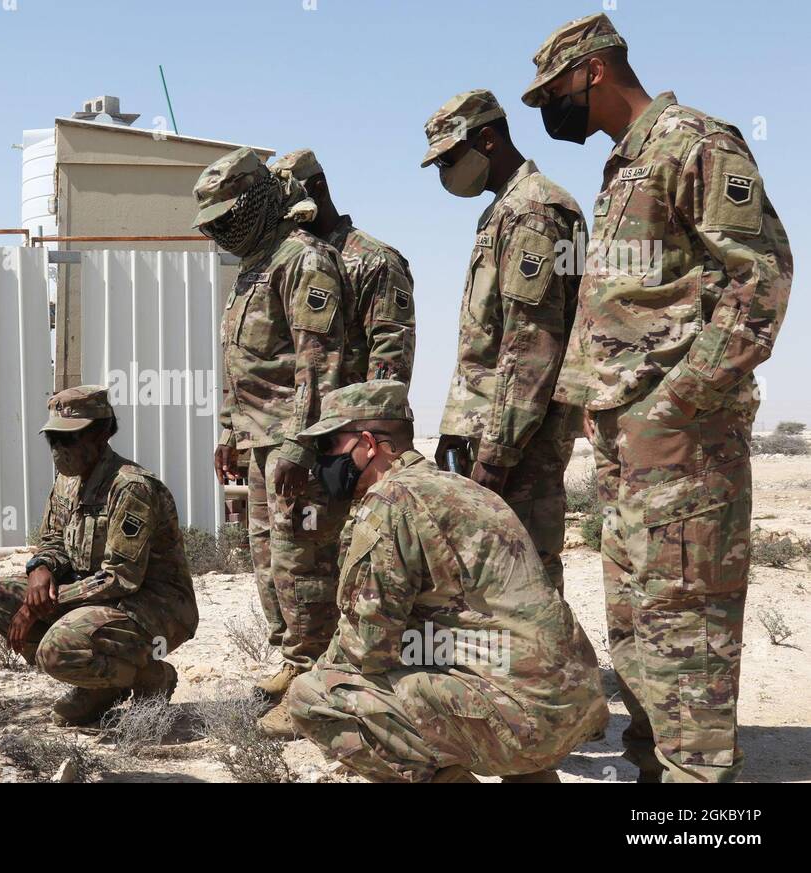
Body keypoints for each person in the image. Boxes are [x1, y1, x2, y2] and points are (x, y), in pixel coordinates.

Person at [522, 13, 793, 782]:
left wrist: (683, 402)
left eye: (556, 92)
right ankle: (656, 771)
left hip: (683, 441)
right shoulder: (624, 166)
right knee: (640, 623)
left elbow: (761, 276)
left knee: (688, 620)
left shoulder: (697, 142)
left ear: (595, 71)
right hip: (627, 444)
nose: (552, 110)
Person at [287, 381, 608, 782]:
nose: (321, 464)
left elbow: (367, 645)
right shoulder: (462, 488)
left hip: (524, 719)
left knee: (315, 698)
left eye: (329, 446)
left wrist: (323, 669)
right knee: (440, 650)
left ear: (368, 443)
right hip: (573, 703)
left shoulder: (391, 502)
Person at [194, 147, 354, 736]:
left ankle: (319, 680)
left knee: (303, 562)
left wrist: (300, 444)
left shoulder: (303, 261)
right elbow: (249, 364)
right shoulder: (255, 267)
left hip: (294, 446)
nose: (219, 231)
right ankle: (294, 662)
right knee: (269, 564)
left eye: (227, 216)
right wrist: (230, 433)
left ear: (260, 201)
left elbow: (320, 364)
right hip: (258, 444)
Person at [419, 90, 586, 594]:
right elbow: (485, 335)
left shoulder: (534, 210)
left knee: (524, 566)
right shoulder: (504, 210)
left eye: (449, 157)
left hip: (521, 435)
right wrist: (456, 426)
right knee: (491, 568)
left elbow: (532, 341)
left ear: (486, 139)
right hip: (494, 427)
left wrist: (499, 449)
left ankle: (548, 671)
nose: (446, 172)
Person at [0, 386, 197, 726]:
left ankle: (147, 676)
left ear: (100, 434)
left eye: (68, 439)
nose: (58, 450)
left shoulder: (131, 487)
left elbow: (121, 577)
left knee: (58, 646)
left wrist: (39, 604)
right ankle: (99, 684)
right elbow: (54, 538)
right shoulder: (67, 483)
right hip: (97, 597)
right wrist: (40, 569)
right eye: (53, 440)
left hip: (155, 606)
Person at [271, 147, 416, 384]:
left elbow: (391, 352)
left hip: (351, 416)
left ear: (318, 189)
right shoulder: (288, 262)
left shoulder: (374, 260)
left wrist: (374, 416)